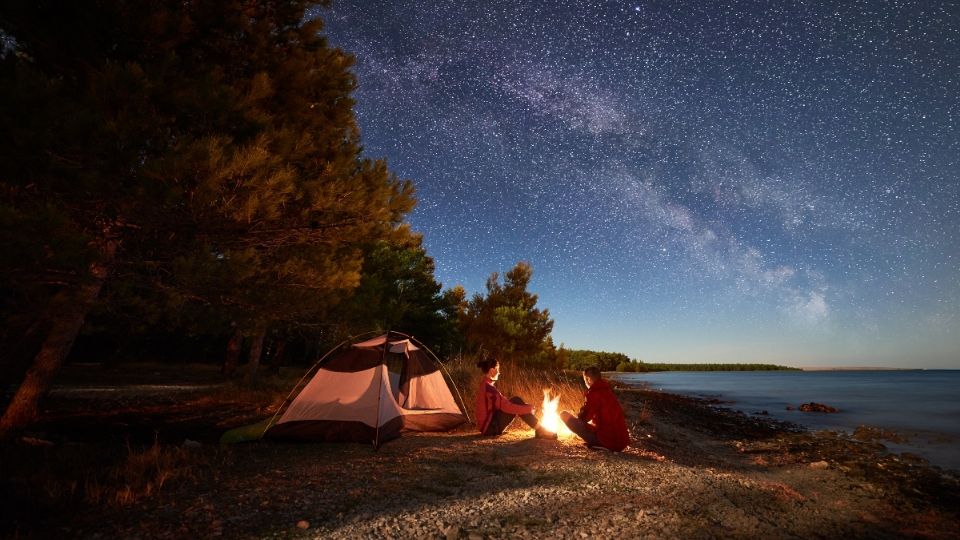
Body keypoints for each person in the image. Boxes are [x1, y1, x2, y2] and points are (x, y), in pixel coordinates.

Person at [475, 358, 556, 439]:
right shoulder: (489, 388)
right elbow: (507, 407)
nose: (499, 373)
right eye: (498, 369)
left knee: (516, 400)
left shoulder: (485, 385)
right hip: (490, 429)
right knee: (516, 401)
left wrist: (525, 407)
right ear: (492, 370)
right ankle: (541, 430)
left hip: (488, 426)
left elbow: (503, 404)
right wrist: (528, 409)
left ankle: (540, 430)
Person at [560, 366, 630, 451]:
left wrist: (578, 414)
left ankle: (600, 445)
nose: (585, 382)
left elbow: (584, 418)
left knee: (564, 415)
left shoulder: (593, 394)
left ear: (588, 379)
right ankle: (601, 443)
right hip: (621, 443)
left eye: (585, 380)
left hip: (607, 442)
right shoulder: (608, 391)